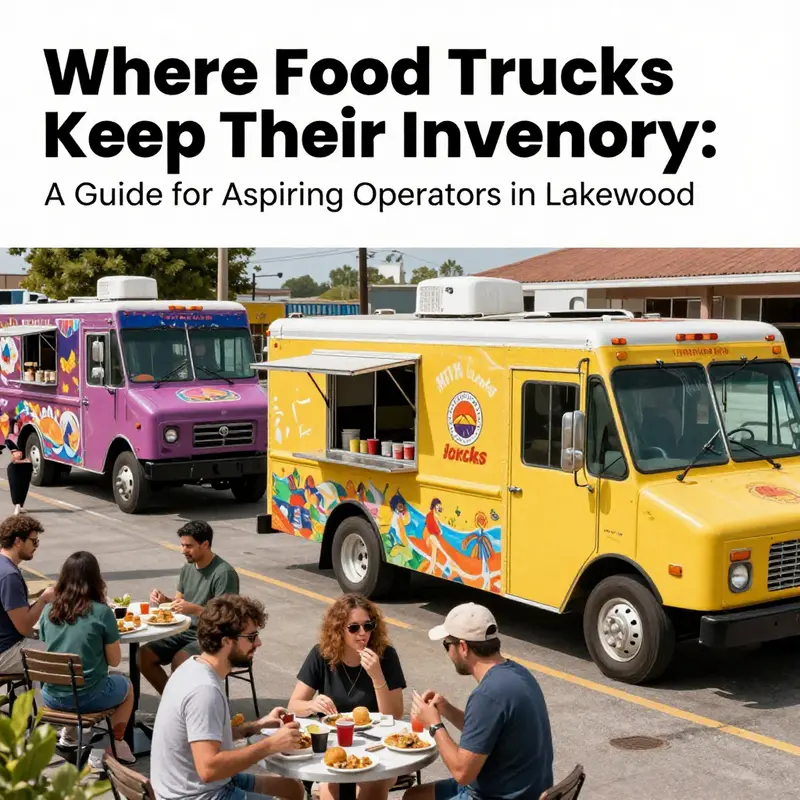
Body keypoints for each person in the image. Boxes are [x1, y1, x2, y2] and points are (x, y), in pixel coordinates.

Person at [150, 594, 305, 800]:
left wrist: (256, 726)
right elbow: (209, 769)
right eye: (251, 637)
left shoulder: (193, 666)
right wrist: (271, 745)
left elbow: (204, 738)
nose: (258, 642)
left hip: (194, 786)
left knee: (292, 789)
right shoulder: (204, 690)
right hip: (200, 795)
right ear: (226, 641)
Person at [405, 603, 554, 800]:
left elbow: (462, 773)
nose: (448, 653)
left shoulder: (487, 695)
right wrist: (446, 709)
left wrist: (434, 724)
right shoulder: (517, 673)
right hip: (525, 789)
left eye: (447, 645)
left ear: (463, 647)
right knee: (414, 796)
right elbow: (484, 733)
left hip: (497, 795)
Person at [288, 593, 406, 800]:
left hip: (377, 746)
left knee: (372, 783)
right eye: (354, 628)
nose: (363, 634)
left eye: (368, 626)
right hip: (335, 745)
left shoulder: (386, 656)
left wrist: (377, 676)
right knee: (331, 787)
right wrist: (313, 704)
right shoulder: (322, 654)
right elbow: (294, 705)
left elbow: (394, 715)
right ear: (338, 630)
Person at [38, 551, 136, 767]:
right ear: (95, 579)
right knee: (126, 686)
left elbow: (51, 643)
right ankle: (115, 743)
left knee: (75, 682)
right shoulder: (102, 613)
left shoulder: (48, 611)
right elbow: (114, 660)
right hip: (88, 696)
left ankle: (70, 736)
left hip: (52, 696)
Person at [140, 520, 239, 694]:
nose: (183, 550)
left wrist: (195, 609)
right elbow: (178, 603)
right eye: (182, 545)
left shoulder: (224, 574)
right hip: (183, 630)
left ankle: (181, 707)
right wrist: (164, 600)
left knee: (180, 661)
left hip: (213, 635)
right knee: (142, 656)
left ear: (205, 544)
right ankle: (172, 702)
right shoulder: (188, 567)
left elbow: (225, 619)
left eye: (188, 546)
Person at [0, 515, 54, 674]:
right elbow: (24, 627)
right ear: (18, 542)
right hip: (6, 651)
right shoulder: (9, 576)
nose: (36, 546)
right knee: (63, 651)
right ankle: (46, 699)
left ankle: (25, 695)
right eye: (34, 541)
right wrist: (44, 599)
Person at [5, 440, 33, 515]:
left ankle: (20, 505)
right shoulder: (15, 440)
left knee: (24, 487)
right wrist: (14, 451)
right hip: (15, 467)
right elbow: (7, 441)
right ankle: (17, 505)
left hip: (26, 467)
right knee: (15, 486)